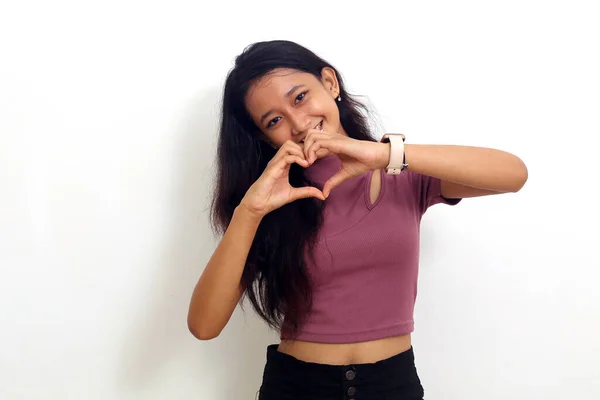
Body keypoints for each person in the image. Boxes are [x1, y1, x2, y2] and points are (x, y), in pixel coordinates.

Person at [187, 40, 528, 400]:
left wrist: (384, 154)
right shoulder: (271, 200)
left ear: (330, 83)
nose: (299, 124)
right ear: (264, 137)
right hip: (297, 386)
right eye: (274, 120)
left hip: (392, 385)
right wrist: (250, 211)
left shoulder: (400, 171)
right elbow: (204, 325)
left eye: (300, 97)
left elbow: (513, 175)